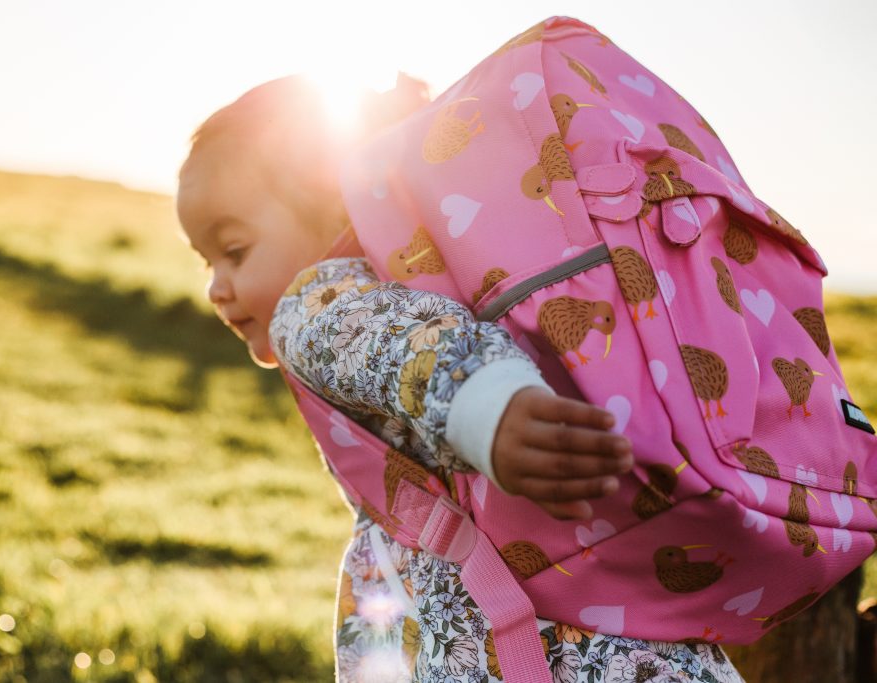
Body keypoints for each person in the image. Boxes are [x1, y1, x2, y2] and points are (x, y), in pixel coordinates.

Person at [175, 72, 746, 681]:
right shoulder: (428, 281)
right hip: (602, 624)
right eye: (206, 261)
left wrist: (487, 409)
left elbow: (404, 346)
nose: (216, 288)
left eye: (234, 251)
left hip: (517, 641)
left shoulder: (314, 304)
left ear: (327, 209)